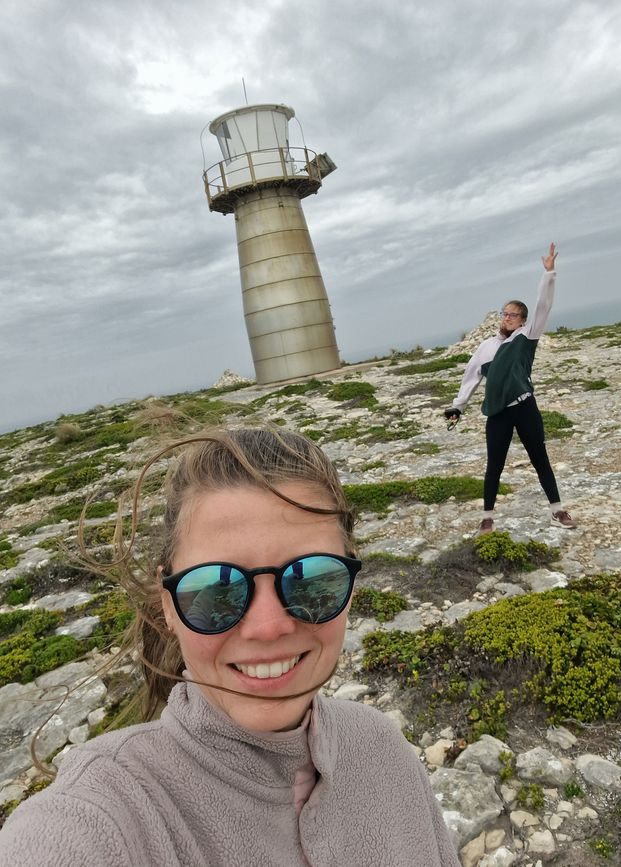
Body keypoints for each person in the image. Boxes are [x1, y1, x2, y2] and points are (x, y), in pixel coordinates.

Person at [0, 427, 460, 867]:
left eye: (313, 578)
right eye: (216, 590)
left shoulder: (381, 746)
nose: (267, 627)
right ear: (168, 606)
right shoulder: (106, 814)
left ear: (351, 586)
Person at [444, 243, 577, 535]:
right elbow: (471, 378)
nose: (506, 318)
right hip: (498, 414)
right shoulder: (486, 347)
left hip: (525, 406)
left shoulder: (527, 336)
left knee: (539, 458)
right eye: (504, 313)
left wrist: (549, 273)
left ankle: (558, 510)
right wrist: (458, 406)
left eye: (513, 315)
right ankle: (488, 517)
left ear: (523, 321)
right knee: (495, 465)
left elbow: (544, 305)